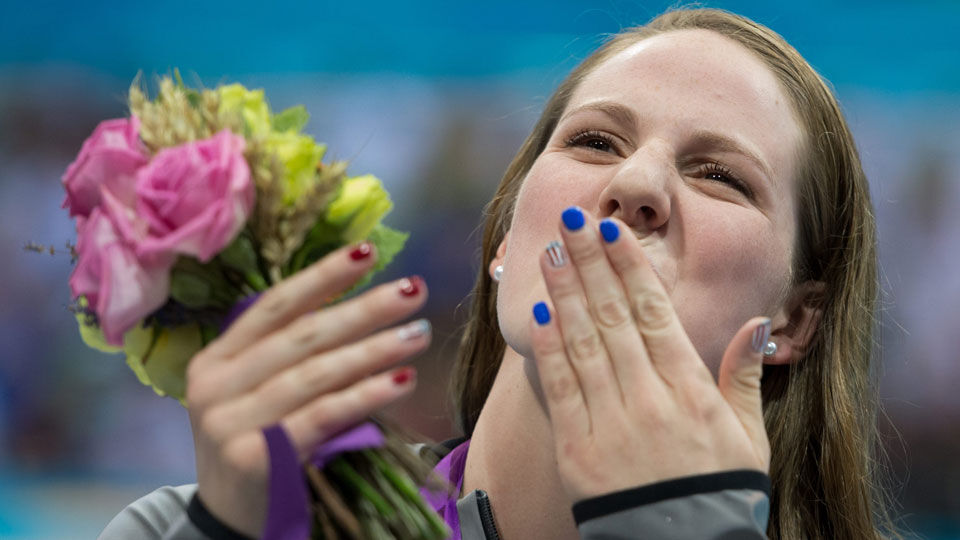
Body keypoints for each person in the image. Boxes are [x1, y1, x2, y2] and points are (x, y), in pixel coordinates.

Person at [100, 8, 899, 540]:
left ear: (795, 322)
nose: (636, 186)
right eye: (594, 142)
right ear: (505, 238)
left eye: (720, 175)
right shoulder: (190, 525)